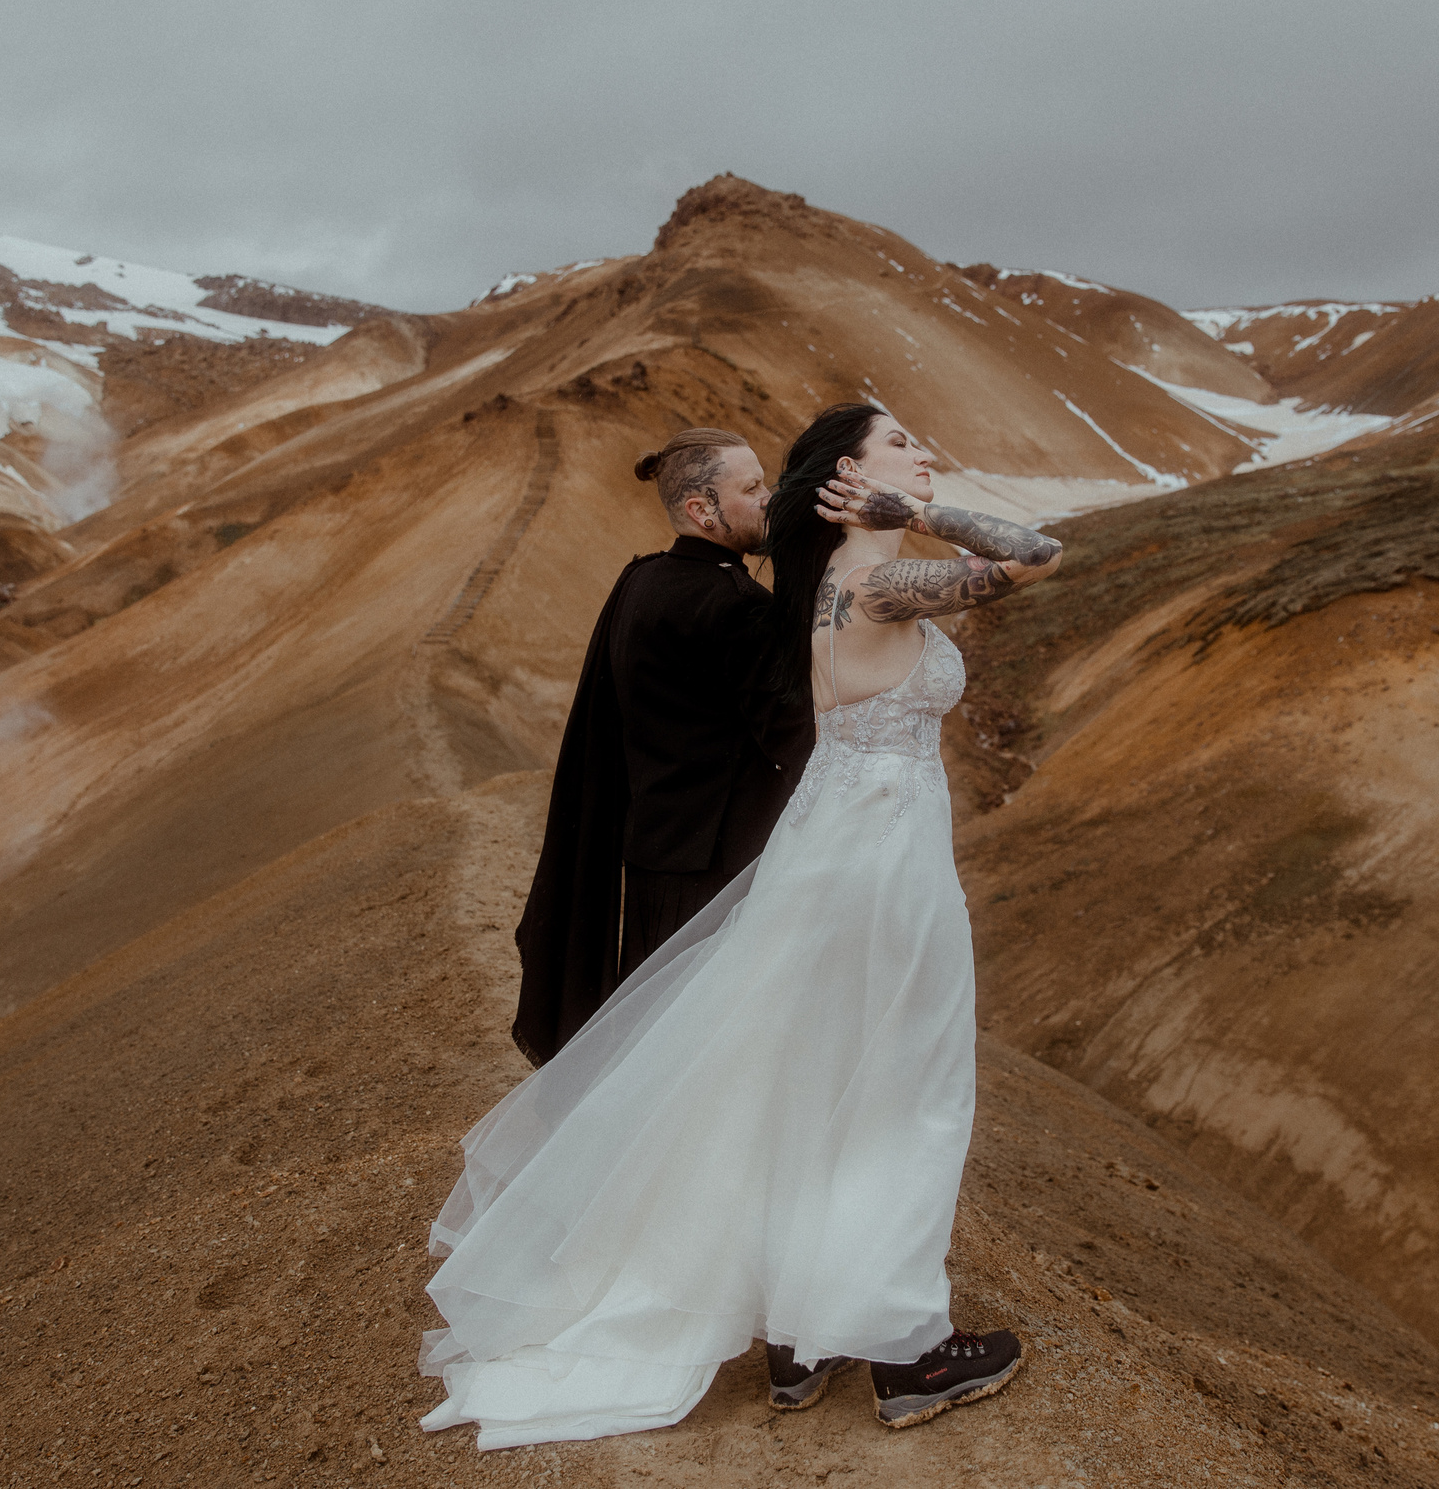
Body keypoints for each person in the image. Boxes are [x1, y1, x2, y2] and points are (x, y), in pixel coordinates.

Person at [421, 401, 1063, 1448]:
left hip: (837, 848)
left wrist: (891, 506)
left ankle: (799, 1339)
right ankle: (907, 1352)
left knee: (813, 1083)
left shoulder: (817, 588)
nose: (926, 455)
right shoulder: (878, 582)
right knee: (904, 1093)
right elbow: (1036, 553)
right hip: (879, 861)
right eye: (900, 445)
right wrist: (910, 514)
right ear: (851, 477)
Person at [510, 426, 812, 1067]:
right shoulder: (737, 607)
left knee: (655, 1042)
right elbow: (798, 740)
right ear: (703, 510)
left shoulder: (640, 582)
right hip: (725, 868)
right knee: (707, 1048)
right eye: (752, 488)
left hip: (652, 854)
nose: (770, 499)